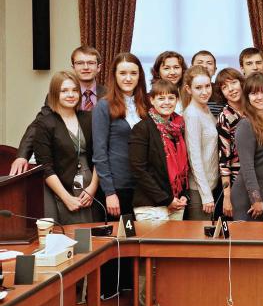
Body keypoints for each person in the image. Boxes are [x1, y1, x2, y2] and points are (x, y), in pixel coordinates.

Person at [11, 45, 106, 176]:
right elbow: (39, 123)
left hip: (102, 166)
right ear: (73, 67)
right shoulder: (58, 96)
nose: (85, 67)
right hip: (66, 168)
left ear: (99, 67)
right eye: (80, 63)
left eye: (91, 63)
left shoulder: (110, 96)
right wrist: (22, 155)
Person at [33, 71, 99, 224]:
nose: (71, 95)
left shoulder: (89, 118)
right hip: (61, 187)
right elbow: (45, 166)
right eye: (64, 91)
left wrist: (93, 187)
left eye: (75, 90)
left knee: (94, 238)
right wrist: (66, 198)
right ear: (55, 94)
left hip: (92, 188)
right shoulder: (45, 123)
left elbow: (100, 155)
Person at [93, 53, 150, 218]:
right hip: (117, 187)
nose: (128, 78)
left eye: (133, 73)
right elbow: (100, 153)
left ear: (140, 76)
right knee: (121, 240)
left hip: (144, 186)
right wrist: (109, 192)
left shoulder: (147, 104)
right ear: (114, 76)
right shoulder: (103, 106)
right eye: (122, 73)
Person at [129, 79, 189, 221]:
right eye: (161, 98)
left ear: (177, 100)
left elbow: (184, 168)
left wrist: (184, 195)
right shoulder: (142, 128)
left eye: (171, 98)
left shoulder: (178, 128)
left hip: (177, 203)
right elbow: (138, 169)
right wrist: (166, 199)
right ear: (152, 100)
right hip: (151, 206)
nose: (167, 102)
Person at [231, 73, 263, 221]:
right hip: (248, 195)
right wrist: (255, 198)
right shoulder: (245, 125)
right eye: (254, 93)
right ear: (247, 97)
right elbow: (247, 167)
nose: (260, 97)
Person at [182, 65, 220, 220]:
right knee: (200, 239)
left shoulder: (205, 109)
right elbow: (194, 157)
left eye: (207, 86)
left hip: (211, 185)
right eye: (198, 87)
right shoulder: (192, 114)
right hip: (199, 190)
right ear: (188, 89)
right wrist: (205, 195)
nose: (205, 92)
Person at [215, 68, 246, 218]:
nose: (231, 89)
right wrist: (227, 196)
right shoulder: (224, 117)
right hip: (236, 179)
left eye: (234, 83)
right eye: (224, 87)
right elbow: (224, 159)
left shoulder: (252, 109)